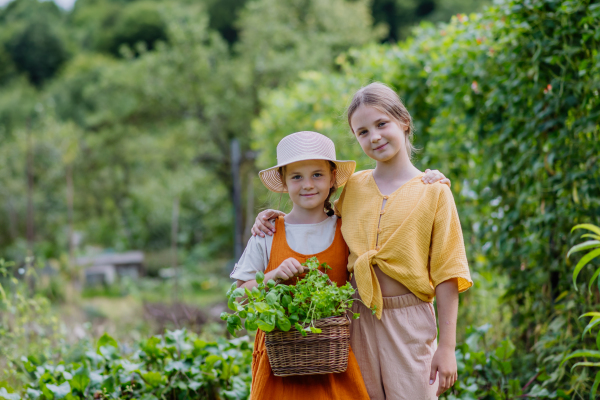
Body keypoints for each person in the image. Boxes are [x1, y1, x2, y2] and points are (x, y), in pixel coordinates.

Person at [251, 82, 472, 400]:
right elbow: (321, 219)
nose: (375, 137)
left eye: (382, 124)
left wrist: (447, 347)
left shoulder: (434, 191)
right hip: (356, 316)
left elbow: (448, 274)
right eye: (363, 132)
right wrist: (278, 218)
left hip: (410, 321)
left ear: (404, 122)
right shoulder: (354, 186)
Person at [231, 130, 370, 400]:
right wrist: (272, 276)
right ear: (283, 181)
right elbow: (239, 297)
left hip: (334, 361)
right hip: (278, 368)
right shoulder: (267, 234)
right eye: (297, 176)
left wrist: (428, 180)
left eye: (317, 174)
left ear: (332, 178)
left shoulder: (346, 229)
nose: (307, 184)